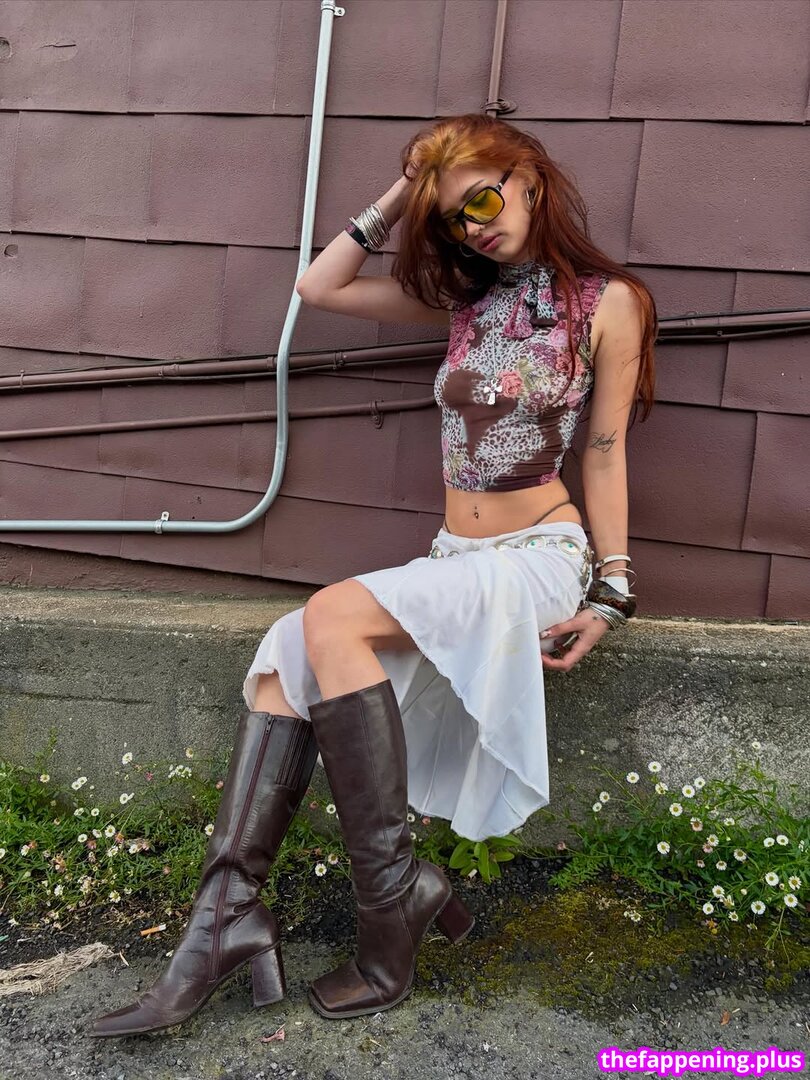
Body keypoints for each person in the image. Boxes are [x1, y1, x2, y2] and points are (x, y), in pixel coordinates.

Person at [90, 113, 656, 1037]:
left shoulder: (607, 303)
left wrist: (614, 589)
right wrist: (408, 188)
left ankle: (392, 904)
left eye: (483, 200)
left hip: (538, 558)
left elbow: (602, 449)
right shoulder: (463, 301)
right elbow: (320, 285)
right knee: (284, 655)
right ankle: (226, 917)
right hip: (454, 558)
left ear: (530, 181)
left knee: (331, 615)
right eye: (454, 217)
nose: (472, 226)